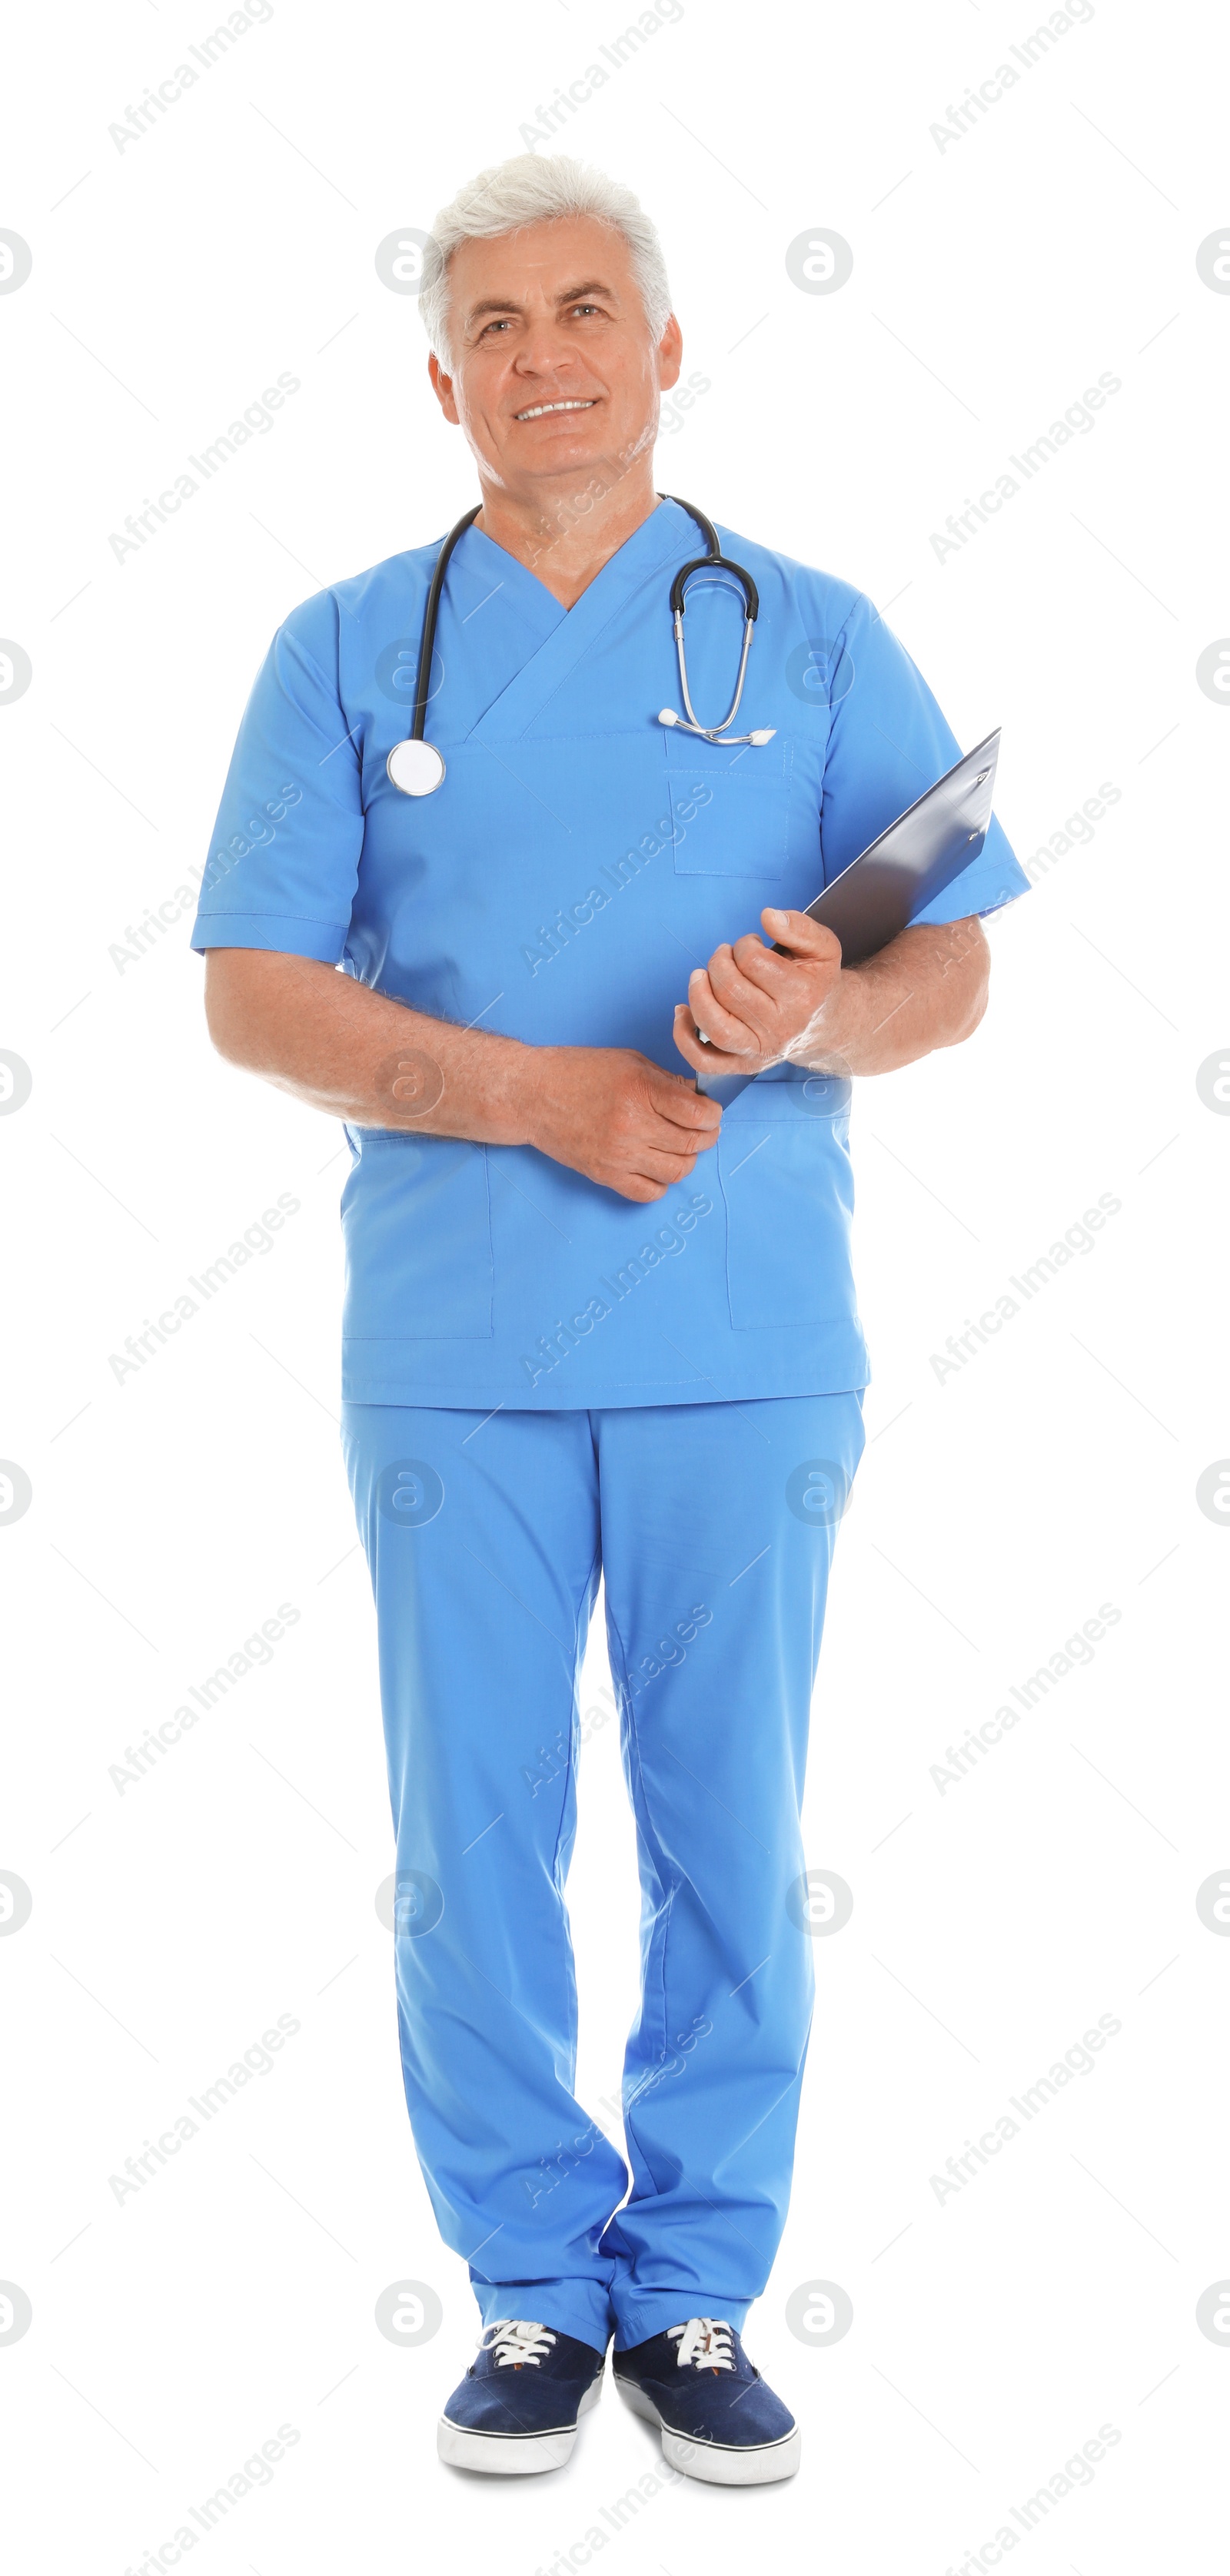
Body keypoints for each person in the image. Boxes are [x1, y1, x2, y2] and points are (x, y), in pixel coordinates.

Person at [194, 152, 1029, 2486]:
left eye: (587, 308)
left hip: (743, 1331)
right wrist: (531, 1096)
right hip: (455, 1332)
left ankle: (698, 2293)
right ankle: (533, 2295)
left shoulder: (816, 632)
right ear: (439, 376)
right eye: (494, 320)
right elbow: (255, 993)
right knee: (471, 1830)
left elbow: (951, 962)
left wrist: (825, 1019)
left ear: (665, 350)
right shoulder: (351, 648)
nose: (543, 352)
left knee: (726, 1827)